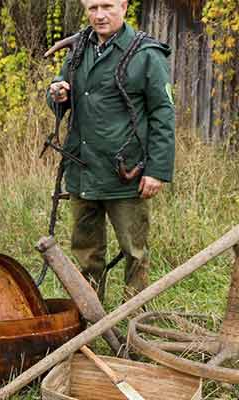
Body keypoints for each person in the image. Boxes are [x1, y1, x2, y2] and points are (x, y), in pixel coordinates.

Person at [47, 0, 175, 302]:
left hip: (125, 173)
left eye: (107, 6)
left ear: (124, 6)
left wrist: (157, 170)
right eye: (92, 8)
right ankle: (90, 314)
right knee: (86, 250)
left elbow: (163, 114)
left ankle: (135, 317)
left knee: (134, 251)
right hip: (82, 168)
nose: (100, 15)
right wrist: (58, 93)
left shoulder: (146, 54)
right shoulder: (80, 49)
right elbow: (61, 96)